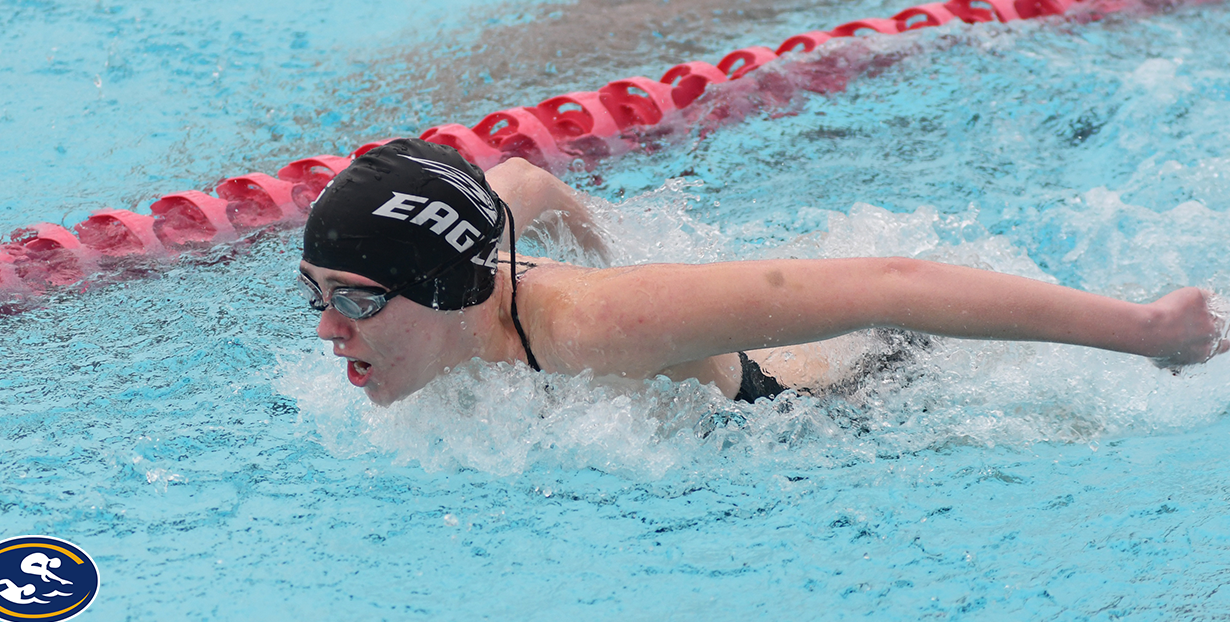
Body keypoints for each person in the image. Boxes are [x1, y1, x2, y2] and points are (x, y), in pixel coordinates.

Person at [298, 139, 1227, 406]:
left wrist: (1144, 332)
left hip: (851, 385)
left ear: (446, 288)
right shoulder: (463, 245)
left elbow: (892, 281)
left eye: (357, 301)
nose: (327, 330)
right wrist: (603, 239)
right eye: (315, 295)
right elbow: (521, 183)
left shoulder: (600, 329)